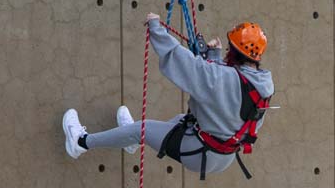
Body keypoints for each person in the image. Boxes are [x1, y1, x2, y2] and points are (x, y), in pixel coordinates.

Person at [61, 16, 273, 179]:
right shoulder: (264, 84)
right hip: (224, 156)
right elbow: (225, 89)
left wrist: (156, 28)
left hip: (199, 152)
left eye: (228, 48)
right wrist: (215, 58)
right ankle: (130, 142)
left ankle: (80, 143)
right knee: (180, 120)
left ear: (234, 52)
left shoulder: (220, 77)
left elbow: (183, 61)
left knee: (141, 129)